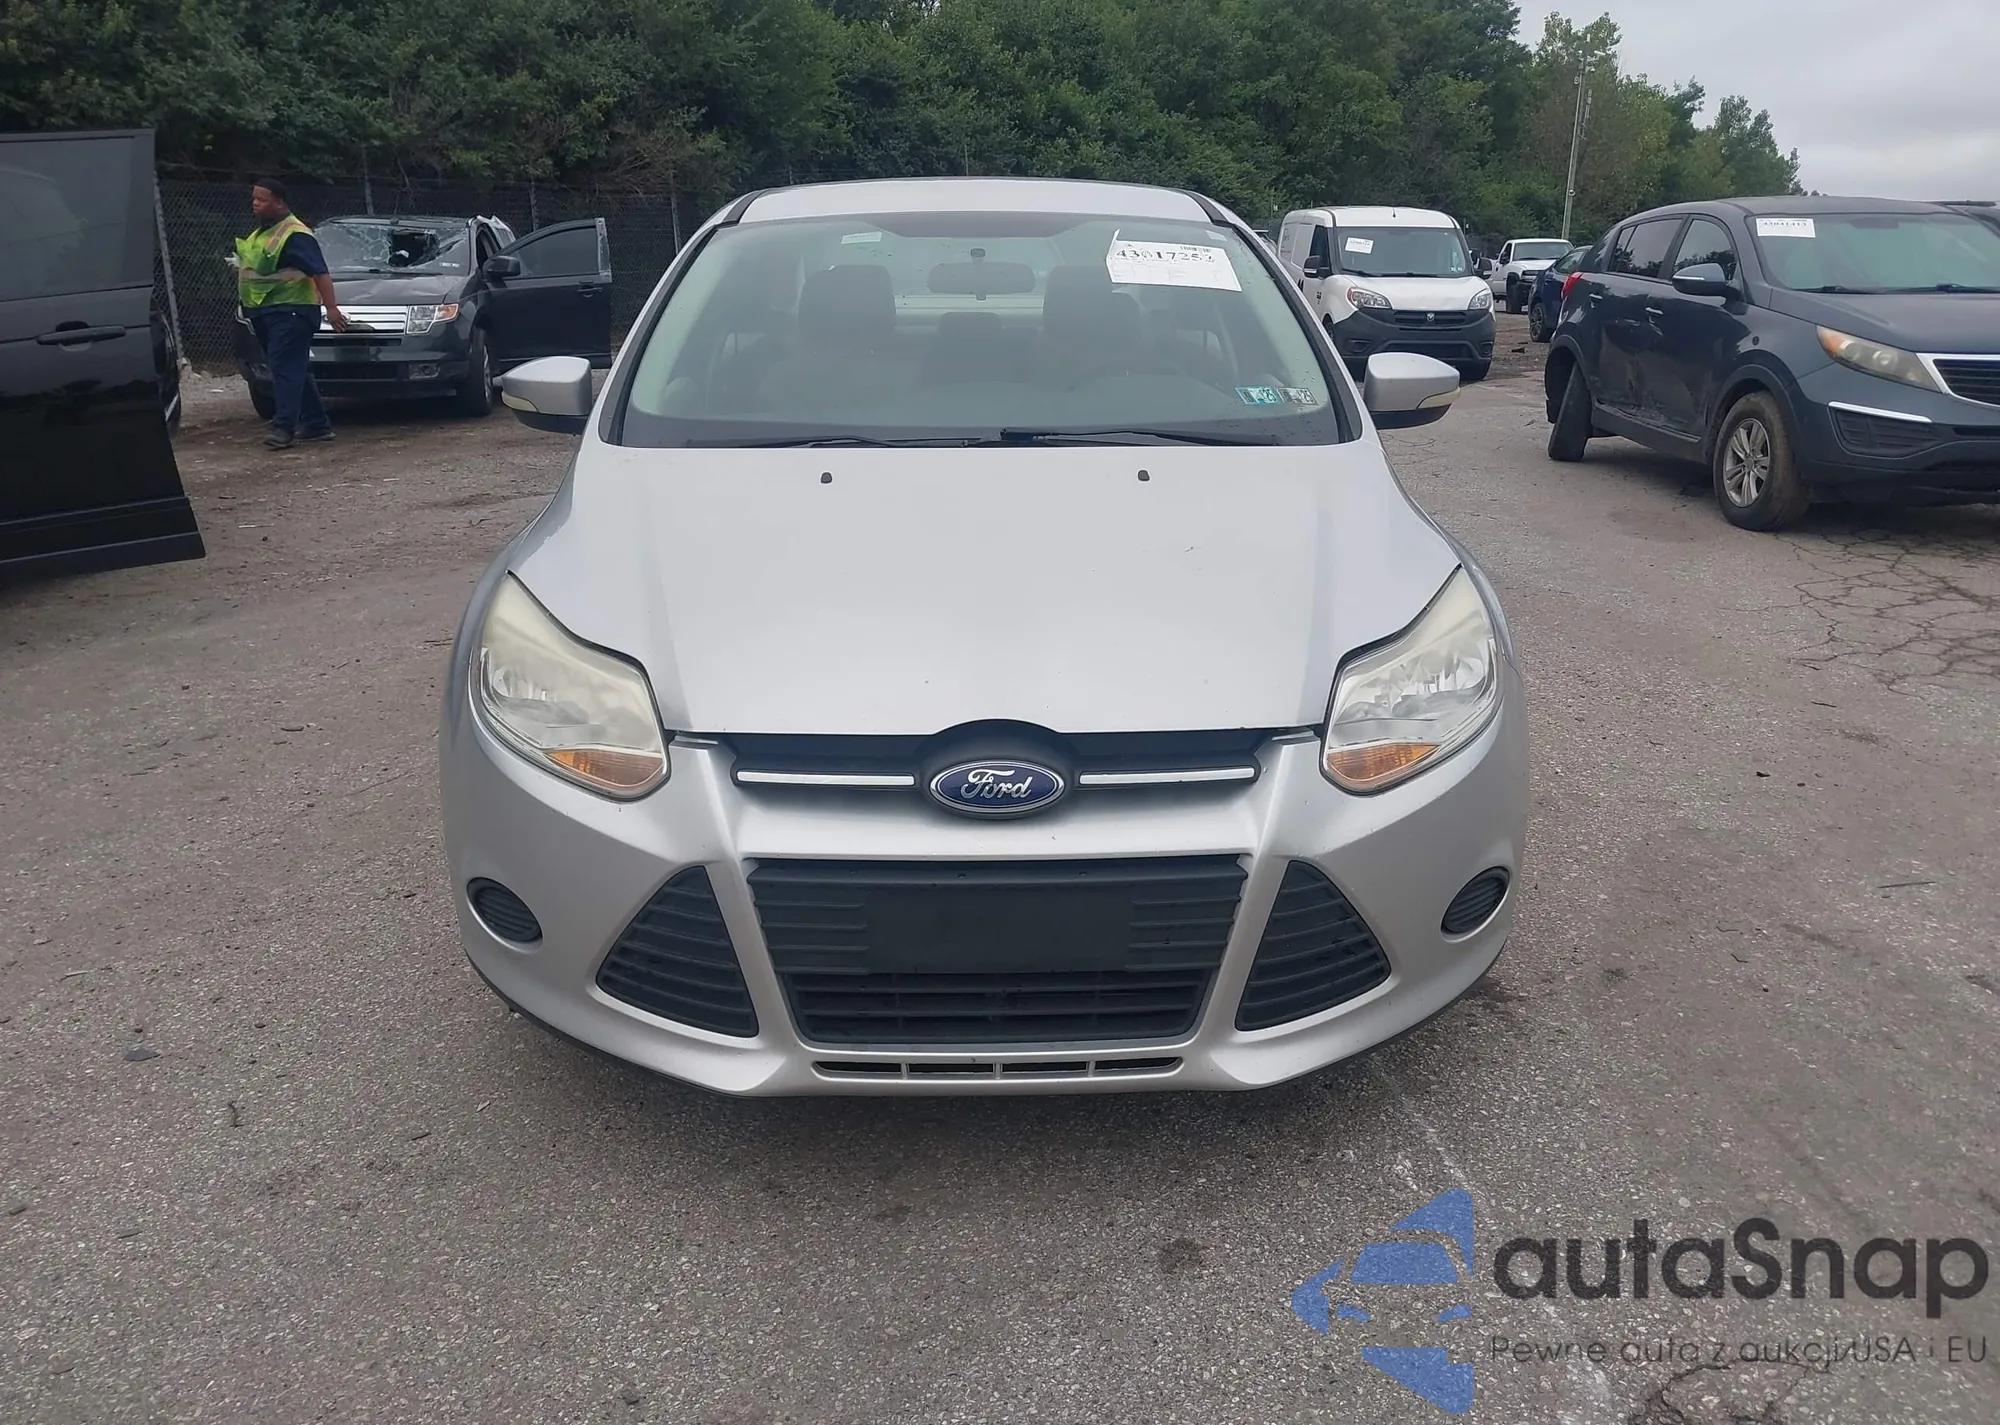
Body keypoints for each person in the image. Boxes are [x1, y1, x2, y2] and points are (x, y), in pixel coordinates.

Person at [234, 179, 350, 448]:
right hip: (266, 310)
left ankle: (283, 427)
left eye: (262, 200)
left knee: (285, 368)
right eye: (254, 199)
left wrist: (332, 309)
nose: (255, 204)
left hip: (292, 311)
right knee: (293, 368)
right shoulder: (262, 233)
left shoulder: (295, 234)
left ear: (279, 202)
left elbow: (320, 272)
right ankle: (316, 424)